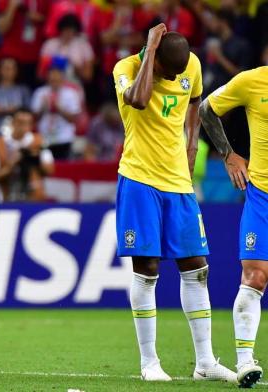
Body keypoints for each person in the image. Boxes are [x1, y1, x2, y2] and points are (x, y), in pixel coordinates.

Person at [113, 23, 236, 382]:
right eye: (170, 72)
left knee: (197, 267)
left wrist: (193, 141)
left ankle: (205, 363)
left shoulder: (190, 65)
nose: (176, 78)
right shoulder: (126, 69)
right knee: (147, 268)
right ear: (156, 58)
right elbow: (136, 99)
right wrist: (149, 52)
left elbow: (195, 99)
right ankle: (149, 363)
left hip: (178, 182)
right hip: (139, 180)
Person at [199, 64, 268, 388]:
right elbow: (206, 110)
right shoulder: (252, 81)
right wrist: (228, 154)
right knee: (254, 275)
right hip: (261, 197)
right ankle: (244, 362)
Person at [31, 65, 81, 160]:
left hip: (64, 138)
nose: (54, 81)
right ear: (47, 78)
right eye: (52, 79)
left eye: (57, 78)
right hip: (44, 138)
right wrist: (43, 108)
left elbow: (73, 119)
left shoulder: (71, 93)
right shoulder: (40, 93)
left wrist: (59, 108)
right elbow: (34, 118)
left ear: (62, 78)